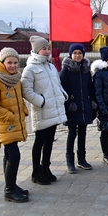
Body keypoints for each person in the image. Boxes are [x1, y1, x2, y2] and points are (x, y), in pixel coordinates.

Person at [22, 36, 68, 185]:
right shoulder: (30, 69)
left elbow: (57, 84)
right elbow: (26, 91)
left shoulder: (50, 66)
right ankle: (36, 172)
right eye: (44, 48)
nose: (47, 51)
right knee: (39, 142)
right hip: (42, 111)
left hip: (53, 111)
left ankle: (46, 168)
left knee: (49, 141)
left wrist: (63, 95)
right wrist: (41, 102)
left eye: (48, 48)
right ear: (36, 50)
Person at [0, 47, 29, 202]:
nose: (13, 66)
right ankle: (9, 190)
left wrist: (23, 110)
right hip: (5, 124)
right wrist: (10, 116)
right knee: (14, 155)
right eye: (9, 62)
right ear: (1, 62)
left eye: (16, 62)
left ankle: (11, 185)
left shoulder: (15, 78)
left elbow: (19, 99)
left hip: (15, 123)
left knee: (9, 155)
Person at [59, 44, 96, 174]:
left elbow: (90, 88)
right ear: (70, 55)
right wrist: (67, 106)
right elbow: (62, 91)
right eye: (74, 53)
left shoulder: (86, 71)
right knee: (72, 133)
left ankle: (82, 159)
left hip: (84, 105)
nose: (77, 55)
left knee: (83, 133)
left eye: (80, 53)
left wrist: (92, 103)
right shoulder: (66, 71)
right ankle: (70, 161)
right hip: (72, 107)